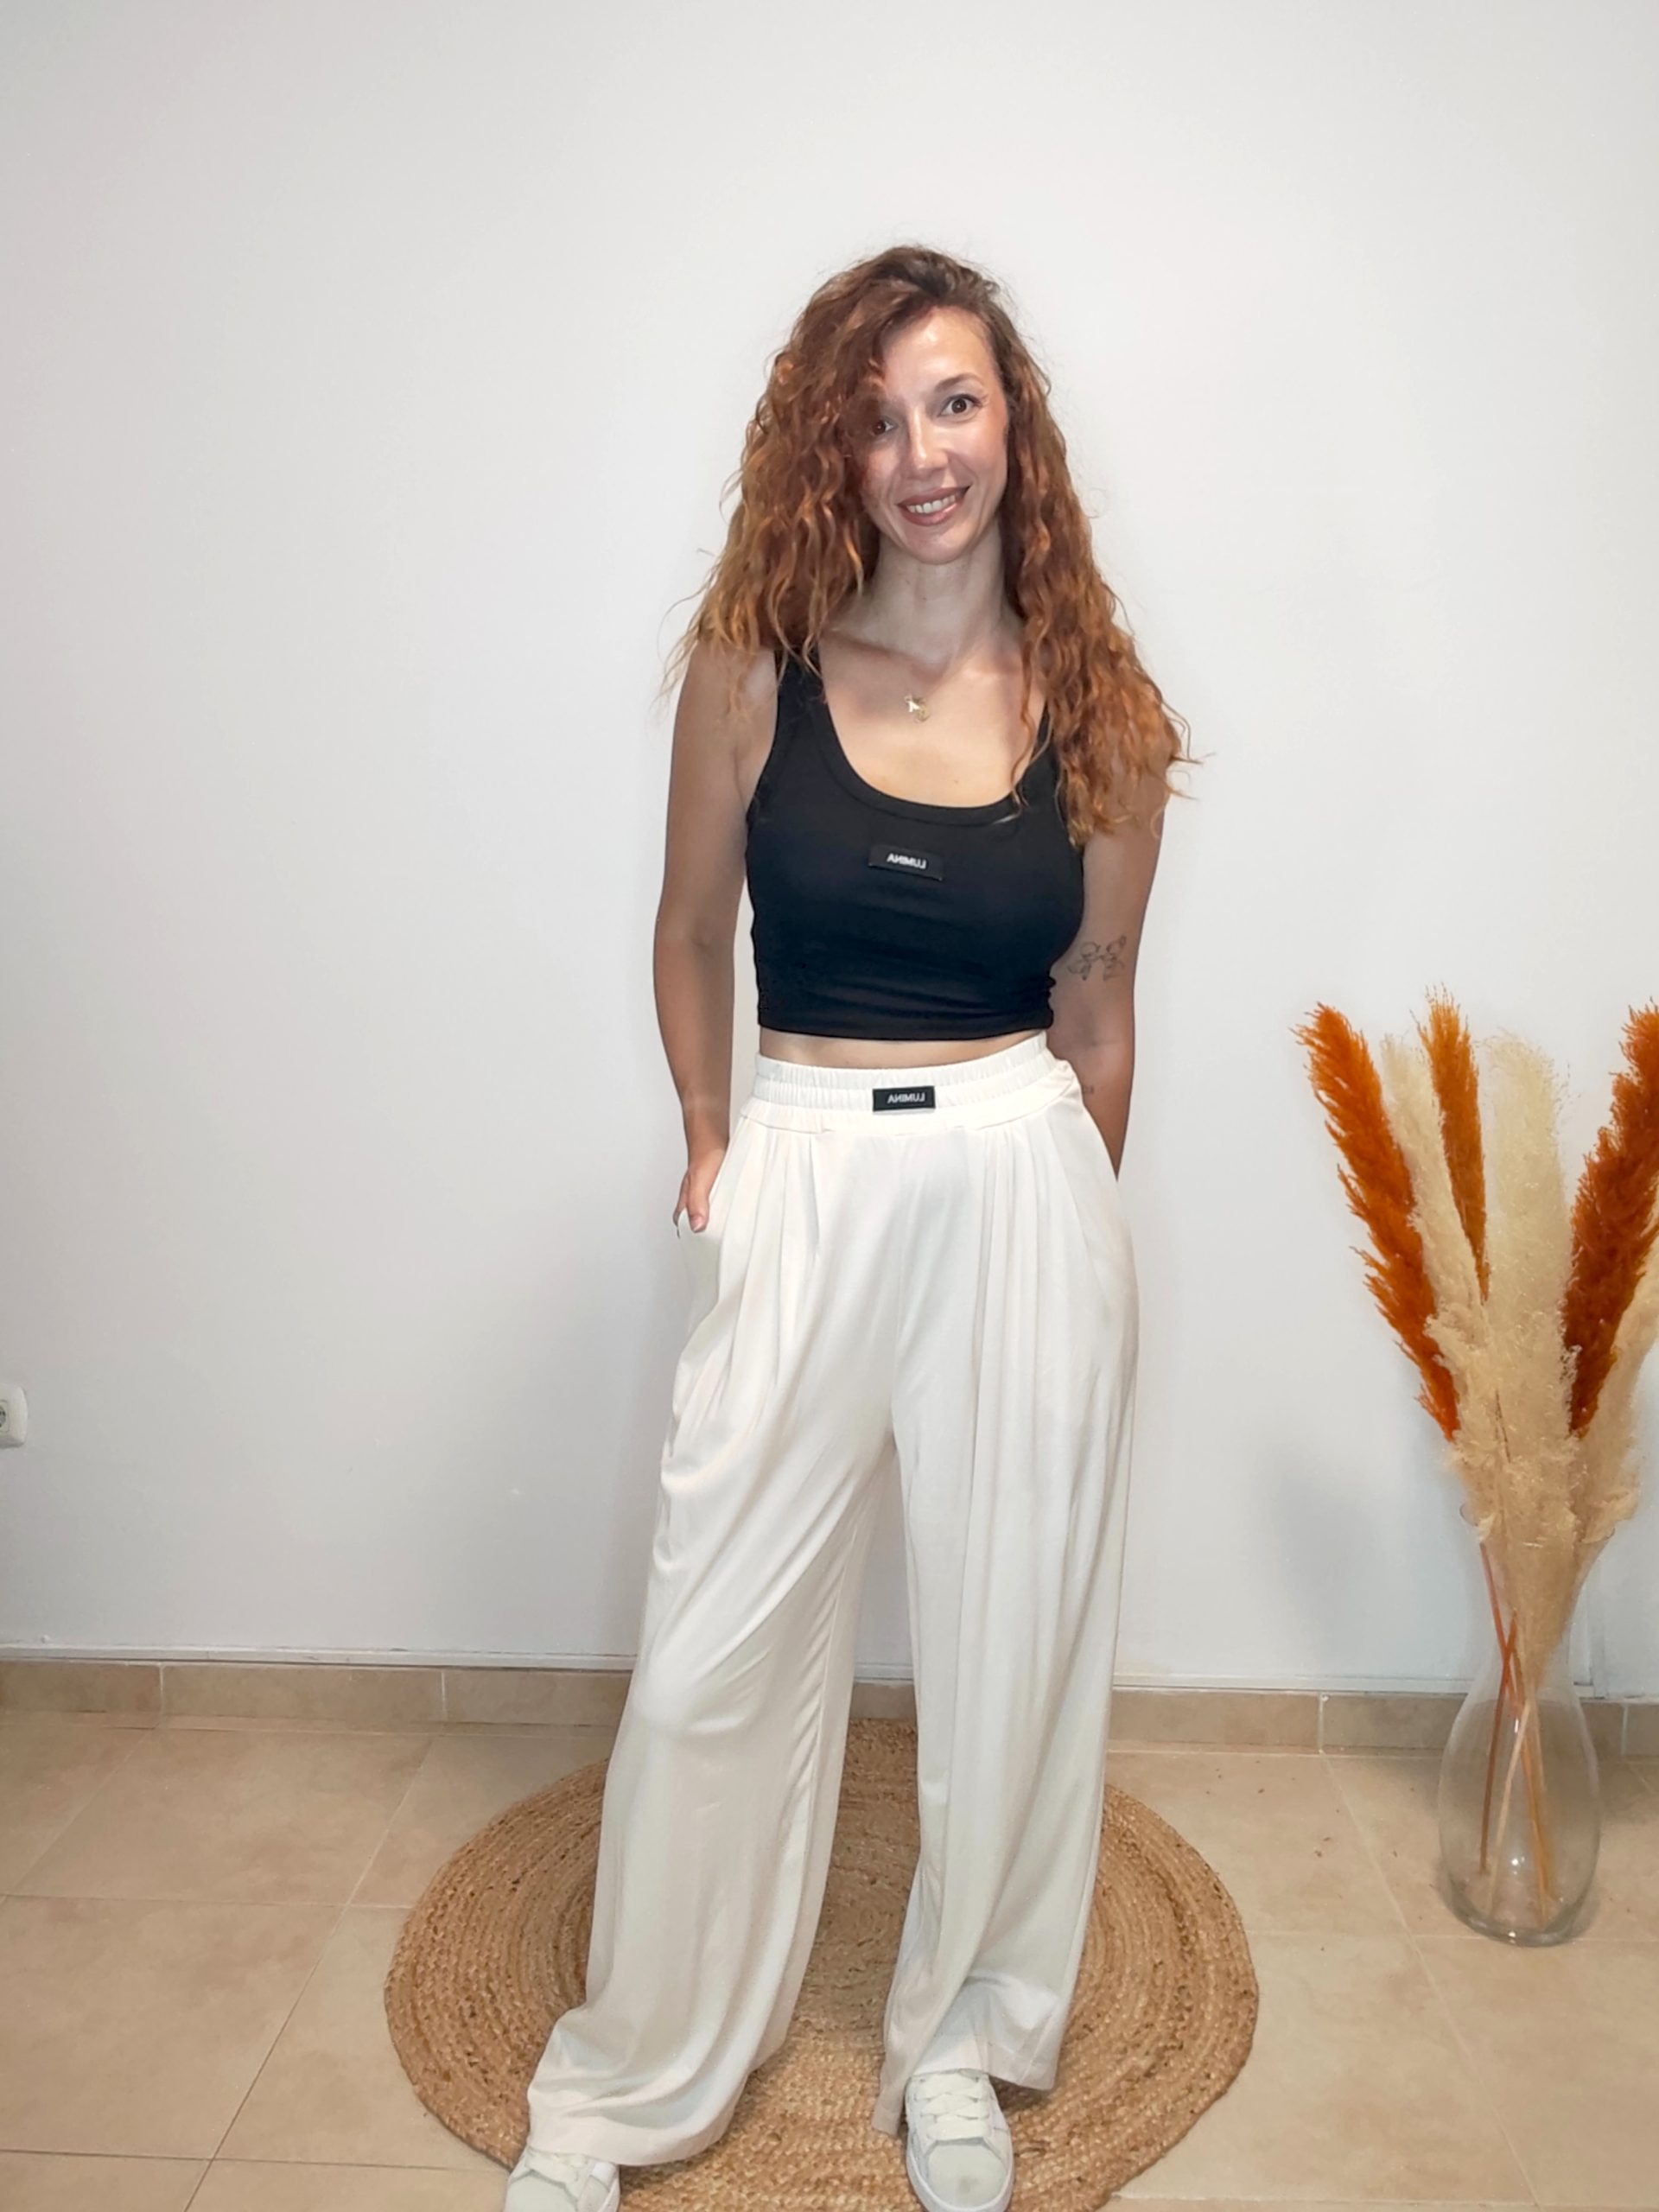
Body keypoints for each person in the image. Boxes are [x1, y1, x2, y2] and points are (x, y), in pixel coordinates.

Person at [504, 243, 1192, 2212]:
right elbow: (685, 928)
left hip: (1018, 1171)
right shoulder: (754, 669)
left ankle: (963, 2040)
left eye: (955, 403)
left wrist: (1077, 1235)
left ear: (1014, 427)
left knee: (1011, 1649)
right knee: (709, 1655)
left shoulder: (1104, 715)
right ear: (834, 449)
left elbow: (1101, 1010)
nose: (922, 453)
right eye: (878, 418)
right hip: (807, 1154)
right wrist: (711, 1128)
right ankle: (627, 2079)